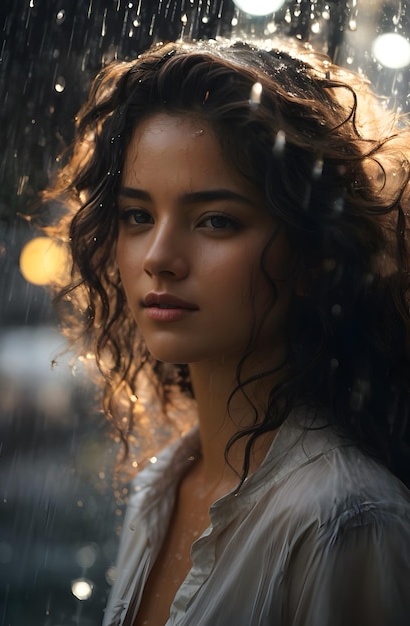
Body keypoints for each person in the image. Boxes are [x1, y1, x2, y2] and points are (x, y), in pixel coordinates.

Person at [42, 38, 410, 625]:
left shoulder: (347, 521)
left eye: (216, 220)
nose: (159, 258)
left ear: (315, 254)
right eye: (138, 215)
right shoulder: (162, 487)